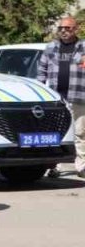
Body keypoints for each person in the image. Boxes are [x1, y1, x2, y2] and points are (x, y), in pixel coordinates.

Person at [37, 15, 85, 176]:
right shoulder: (51, 47)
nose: (63, 31)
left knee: (80, 132)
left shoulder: (83, 47)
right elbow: (41, 71)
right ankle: (55, 166)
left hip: (79, 96)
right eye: (61, 28)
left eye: (67, 28)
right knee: (55, 133)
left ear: (75, 29)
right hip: (56, 98)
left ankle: (81, 166)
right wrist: (39, 92)